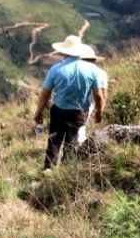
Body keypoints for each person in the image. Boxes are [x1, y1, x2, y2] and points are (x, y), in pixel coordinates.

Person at [33, 35, 108, 170]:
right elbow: (99, 95)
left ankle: (48, 170)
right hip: (79, 113)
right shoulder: (92, 70)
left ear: (64, 51)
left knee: (54, 141)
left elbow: (45, 94)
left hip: (59, 111)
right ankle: (67, 171)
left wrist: (38, 112)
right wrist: (99, 112)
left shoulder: (56, 69)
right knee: (72, 143)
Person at [76, 50, 109, 146]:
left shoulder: (75, 72)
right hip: (87, 106)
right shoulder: (101, 73)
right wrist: (99, 112)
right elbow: (102, 94)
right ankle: (77, 153)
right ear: (94, 60)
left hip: (67, 105)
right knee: (80, 130)